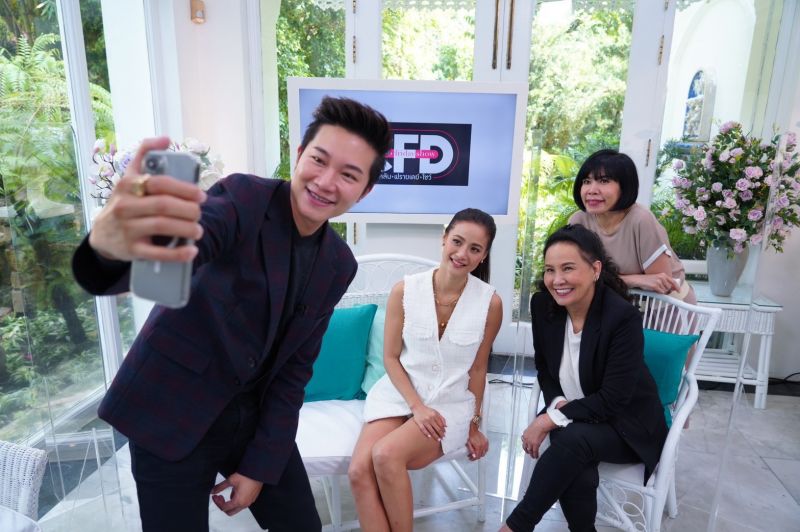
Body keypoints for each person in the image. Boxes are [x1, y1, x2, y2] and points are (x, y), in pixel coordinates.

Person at [71, 97, 392, 532]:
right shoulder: (244, 199)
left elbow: (295, 369)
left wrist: (259, 468)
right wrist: (113, 249)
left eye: (349, 175)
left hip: (250, 418)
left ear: (365, 190)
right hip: (171, 406)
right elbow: (190, 243)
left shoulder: (338, 263)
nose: (325, 181)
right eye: (319, 160)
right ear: (300, 155)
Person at [501, 224, 667, 532]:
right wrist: (558, 406)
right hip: (576, 414)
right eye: (550, 270)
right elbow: (545, 369)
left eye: (568, 268)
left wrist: (550, 419)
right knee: (573, 450)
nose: (557, 280)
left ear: (595, 269)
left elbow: (613, 400)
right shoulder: (543, 306)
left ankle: (514, 527)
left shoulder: (621, 317)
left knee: (570, 439)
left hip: (626, 424)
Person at [348, 208, 503, 532]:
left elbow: (478, 369)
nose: (462, 254)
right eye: (457, 241)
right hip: (400, 394)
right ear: (444, 238)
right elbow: (391, 357)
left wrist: (474, 424)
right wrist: (416, 407)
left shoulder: (490, 303)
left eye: (474, 248)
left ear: (483, 255)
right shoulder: (405, 290)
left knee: (386, 455)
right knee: (359, 471)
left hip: (449, 404)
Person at [569, 149, 696, 303]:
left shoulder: (640, 220)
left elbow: (663, 285)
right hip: (616, 304)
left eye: (604, 181)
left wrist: (604, 279)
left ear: (624, 187)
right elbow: (573, 274)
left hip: (666, 307)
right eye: (586, 182)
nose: (591, 190)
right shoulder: (578, 221)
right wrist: (634, 280)